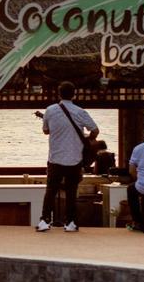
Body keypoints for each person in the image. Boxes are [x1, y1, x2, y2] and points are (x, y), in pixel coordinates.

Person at [37, 81, 99, 233]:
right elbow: (95, 130)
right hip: (74, 159)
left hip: (55, 158)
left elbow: (45, 130)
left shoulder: (50, 110)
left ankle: (45, 221)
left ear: (59, 94)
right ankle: (70, 222)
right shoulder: (80, 111)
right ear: (74, 94)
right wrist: (87, 138)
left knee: (51, 190)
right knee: (71, 192)